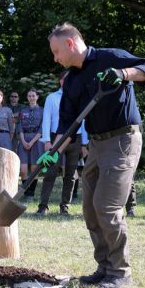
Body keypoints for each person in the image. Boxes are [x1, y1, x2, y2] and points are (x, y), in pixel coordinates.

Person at [46, 22, 145, 288]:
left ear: (70, 44)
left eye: (56, 51)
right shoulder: (72, 80)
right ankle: (105, 267)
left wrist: (123, 73)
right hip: (96, 145)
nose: (55, 57)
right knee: (90, 209)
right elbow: (67, 125)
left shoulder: (110, 57)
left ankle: (121, 273)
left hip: (123, 139)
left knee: (106, 206)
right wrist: (53, 153)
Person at [35, 71, 88, 216]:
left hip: (75, 139)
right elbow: (46, 119)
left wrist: (84, 143)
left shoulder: (79, 97)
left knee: (71, 174)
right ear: (60, 81)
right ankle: (43, 206)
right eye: (66, 79)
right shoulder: (52, 98)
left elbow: (83, 121)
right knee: (50, 173)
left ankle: (65, 206)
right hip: (55, 139)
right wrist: (46, 140)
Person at [17, 88, 44, 201]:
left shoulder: (42, 111)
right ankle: (25, 190)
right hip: (24, 139)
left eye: (33, 95)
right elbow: (20, 128)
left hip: (36, 140)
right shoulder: (23, 111)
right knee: (23, 169)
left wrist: (32, 142)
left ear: (37, 97)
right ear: (27, 98)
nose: (31, 98)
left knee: (34, 168)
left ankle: (31, 194)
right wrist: (23, 141)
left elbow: (42, 129)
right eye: (29, 96)